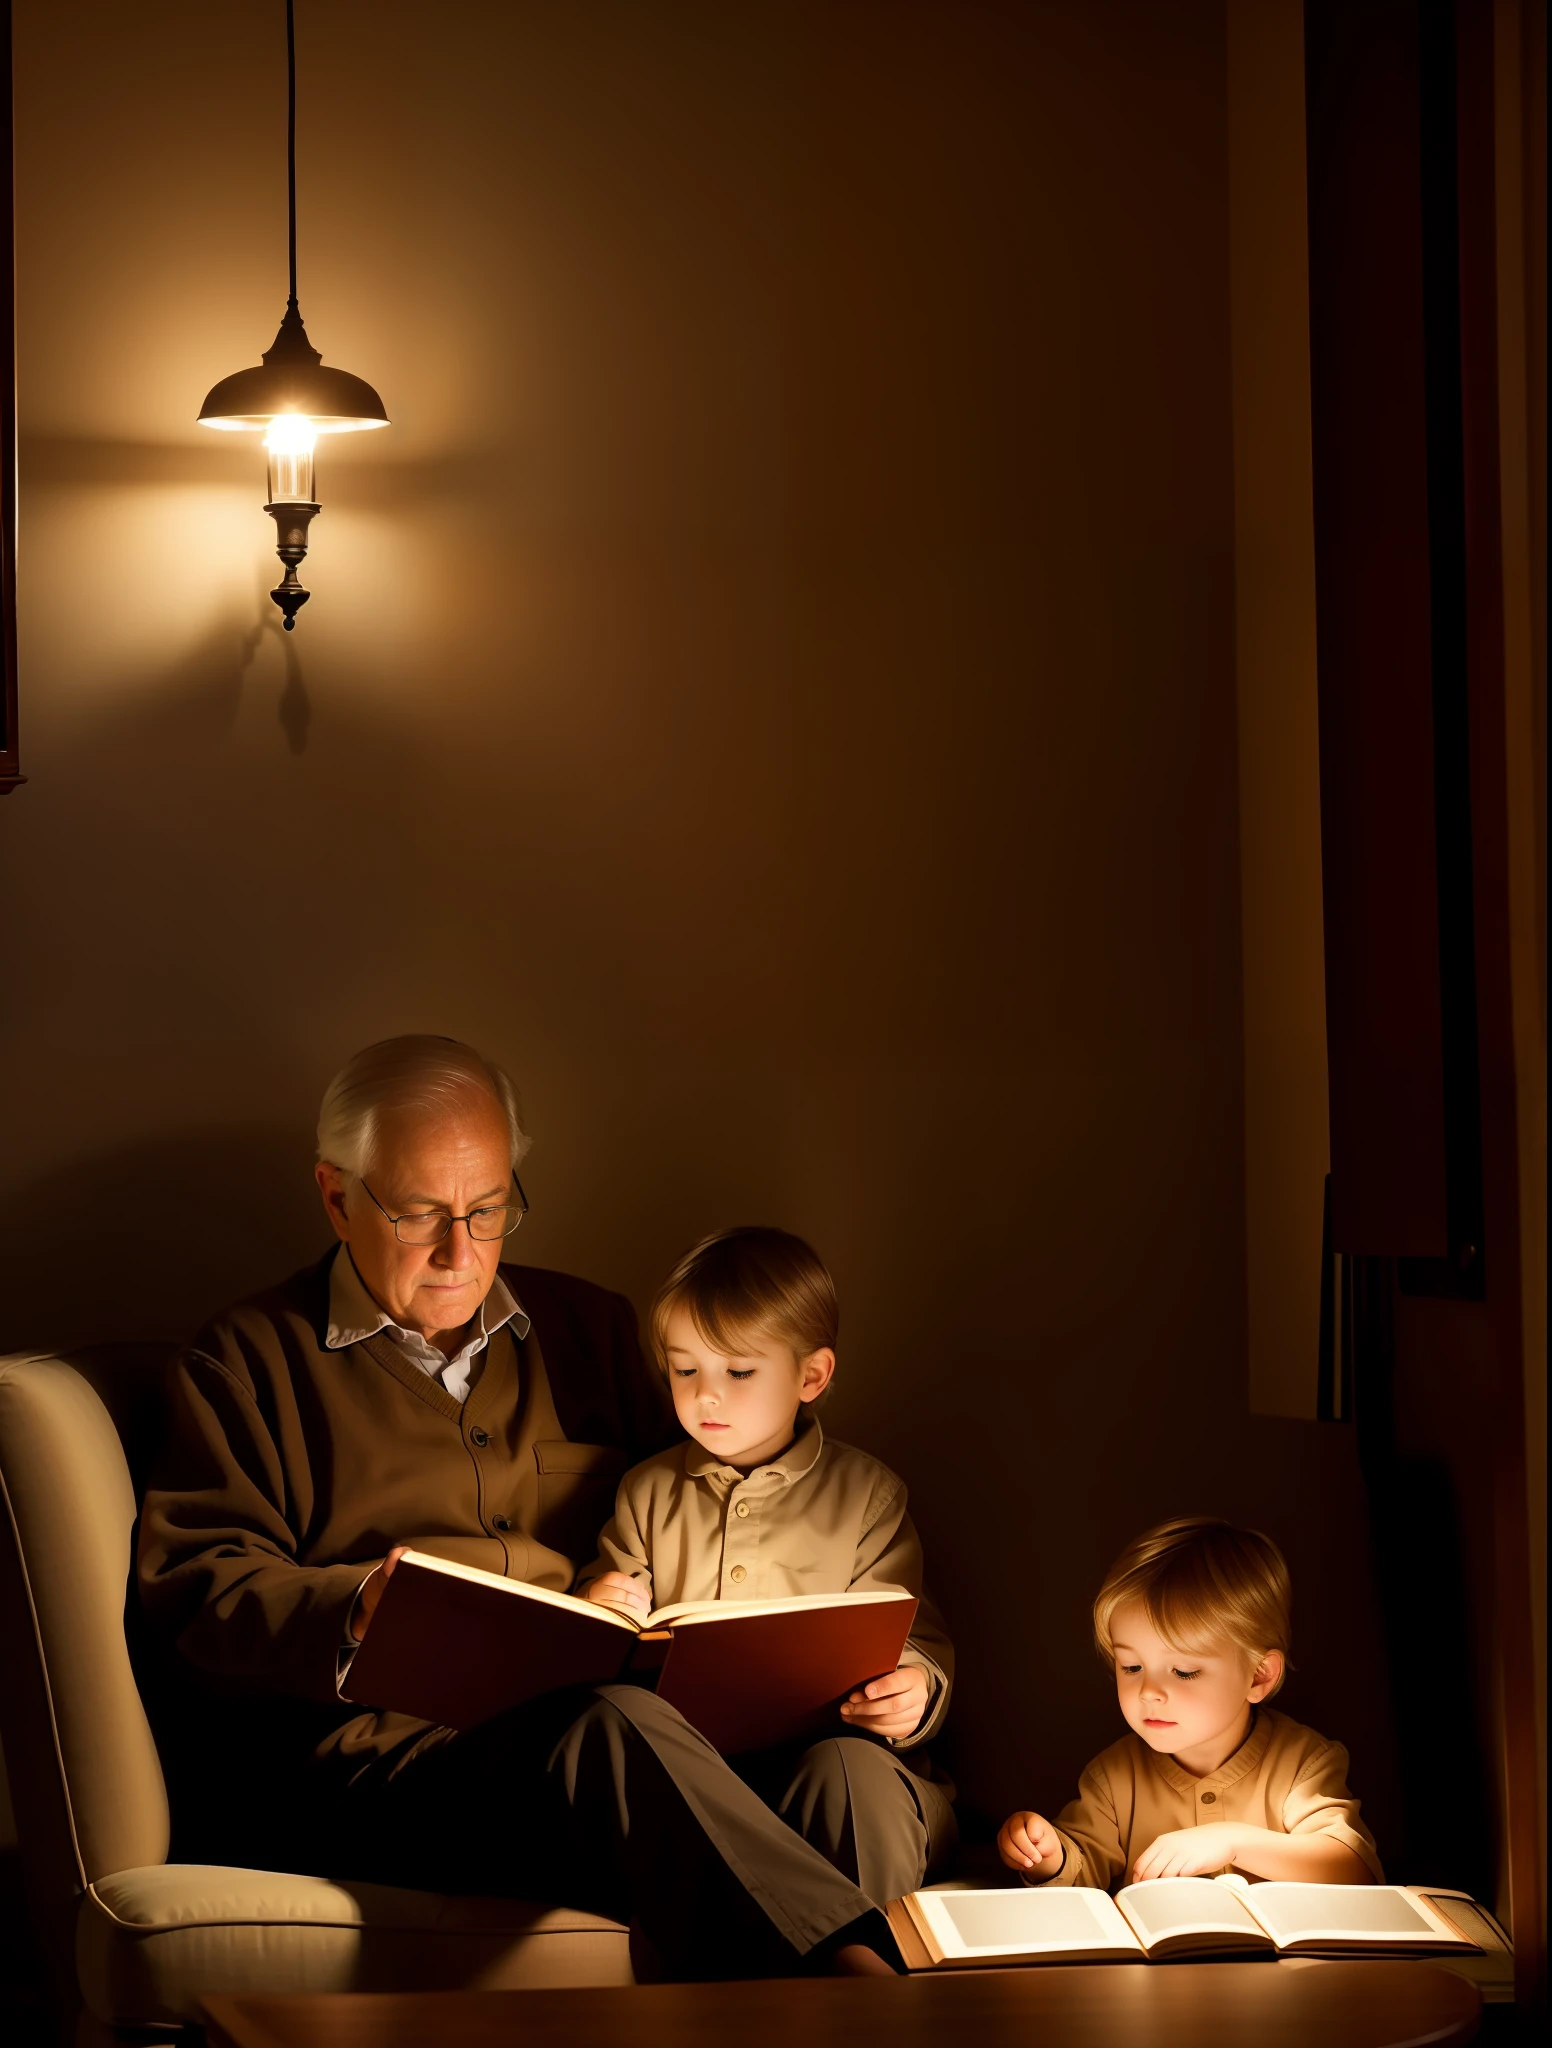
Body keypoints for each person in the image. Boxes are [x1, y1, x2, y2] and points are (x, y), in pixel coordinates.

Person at [136, 1036, 912, 1978]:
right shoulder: (247, 1359)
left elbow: (700, 1494)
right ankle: (865, 1983)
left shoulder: (588, 1328)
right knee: (606, 1725)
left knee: (845, 1770)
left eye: (491, 1208)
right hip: (393, 1769)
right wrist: (355, 1609)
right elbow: (192, 1595)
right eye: (422, 1213)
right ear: (338, 1198)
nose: (462, 1251)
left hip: (623, 1739)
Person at [576, 1226, 958, 1906]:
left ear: (811, 1375)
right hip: (701, 1773)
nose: (706, 1396)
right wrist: (601, 1601)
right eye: (684, 1369)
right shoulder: (648, 1490)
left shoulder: (867, 1495)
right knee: (646, 1772)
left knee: (852, 1778)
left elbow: (912, 1635)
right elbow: (605, 1621)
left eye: (739, 1372)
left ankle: (861, 1989)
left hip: (840, 1763)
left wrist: (913, 1692)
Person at [996, 1516, 1382, 1889]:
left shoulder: (1301, 1763)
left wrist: (1232, 1841)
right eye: (1131, 1666)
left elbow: (1354, 1866)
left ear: (1258, 1676)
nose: (1148, 1691)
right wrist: (1048, 1855)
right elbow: (1082, 1867)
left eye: (1182, 1671)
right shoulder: (1114, 1778)